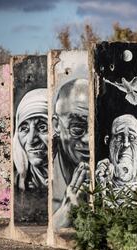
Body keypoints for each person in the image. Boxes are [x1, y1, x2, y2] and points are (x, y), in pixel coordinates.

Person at [52, 78, 90, 229]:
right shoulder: (44, 176)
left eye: (94, 127)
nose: (88, 139)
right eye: (77, 129)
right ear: (56, 125)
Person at [13, 88, 48, 221]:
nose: (32, 140)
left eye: (43, 127)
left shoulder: (72, 182)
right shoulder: (16, 183)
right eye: (24, 129)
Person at [95, 114, 137, 197]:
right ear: (107, 141)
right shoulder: (95, 183)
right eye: (119, 137)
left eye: (132, 137)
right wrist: (101, 189)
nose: (126, 144)